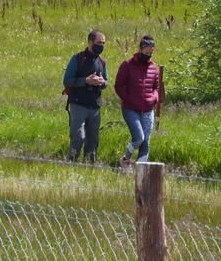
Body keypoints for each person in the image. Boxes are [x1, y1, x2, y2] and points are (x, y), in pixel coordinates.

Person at [114, 35, 161, 166]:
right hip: (130, 109)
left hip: (148, 110)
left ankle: (141, 169)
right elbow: (119, 86)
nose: (148, 56)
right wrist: (129, 100)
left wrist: (154, 98)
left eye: (150, 54)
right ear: (140, 49)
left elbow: (156, 88)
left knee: (146, 142)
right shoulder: (127, 65)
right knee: (139, 138)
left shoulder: (154, 68)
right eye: (146, 53)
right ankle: (125, 159)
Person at [62, 30, 108, 163]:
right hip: (78, 105)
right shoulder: (77, 59)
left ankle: (89, 167)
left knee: (93, 140)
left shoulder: (102, 62)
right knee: (78, 137)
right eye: (99, 42)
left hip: (95, 106)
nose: (101, 46)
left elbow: (106, 82)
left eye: (103, 43)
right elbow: (67, 80)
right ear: (90, 42)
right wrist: (85, 81)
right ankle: (71, 163)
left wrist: (101, 82)